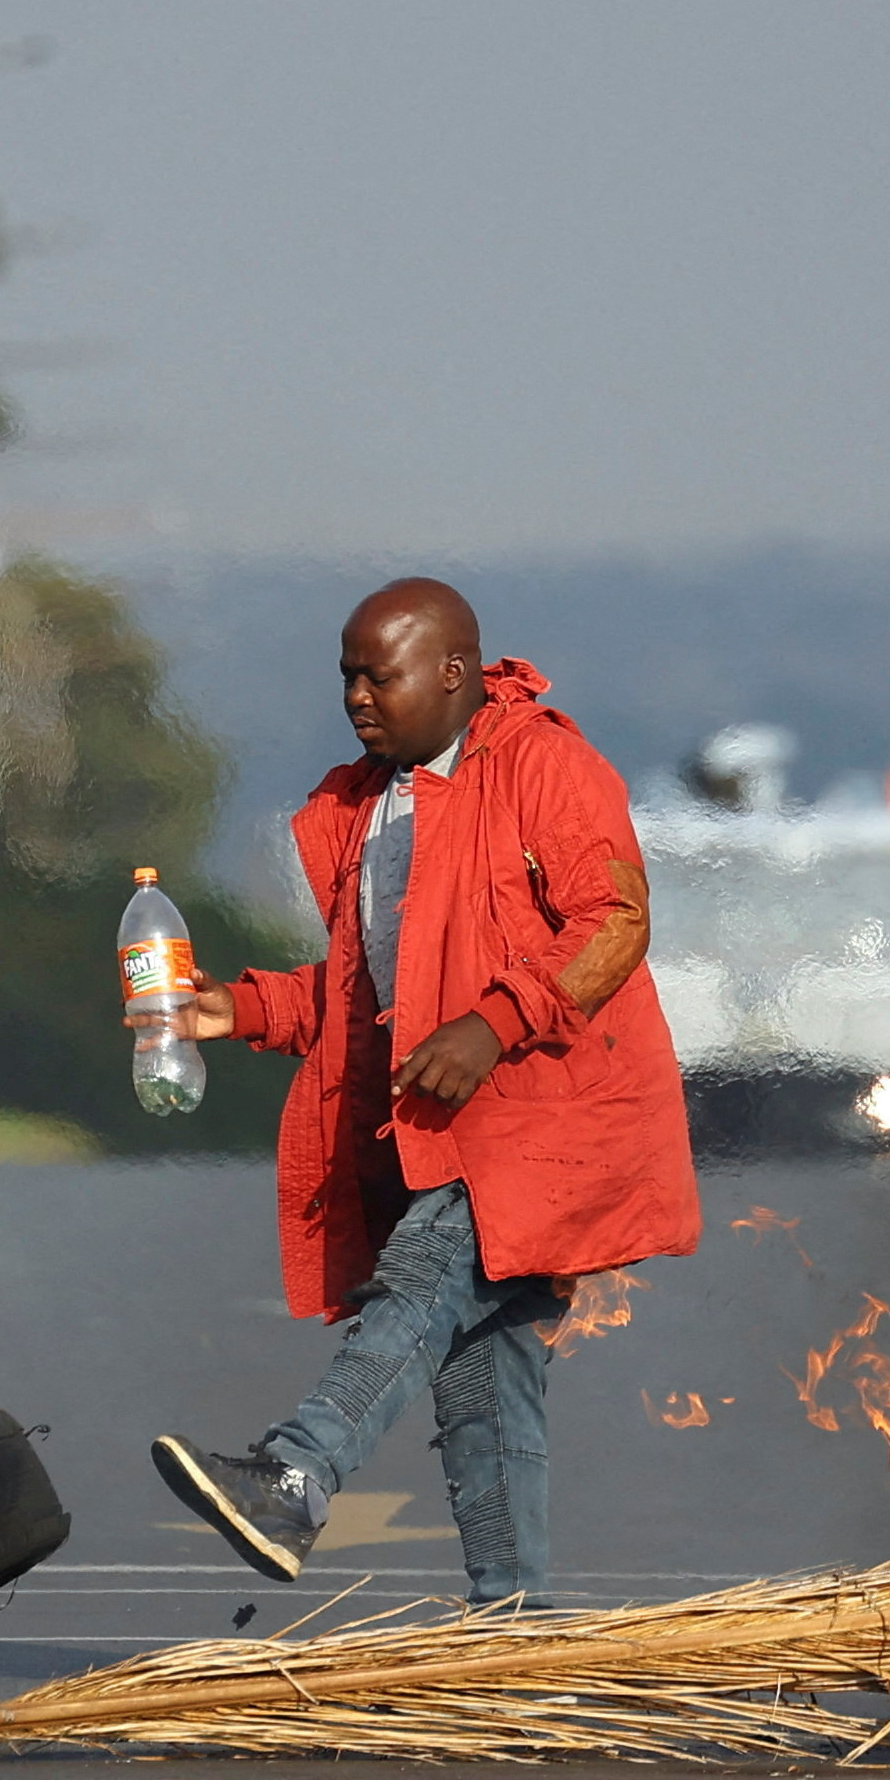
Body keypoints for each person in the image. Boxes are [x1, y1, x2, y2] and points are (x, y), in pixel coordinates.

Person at [145, 579, 700, 1606]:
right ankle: (513, 1614)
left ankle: (296, 1474)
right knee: (483, 1375)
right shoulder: (372, 803)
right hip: (450, 1124)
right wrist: (246, 1007)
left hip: (552, 1120)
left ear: (453, 672)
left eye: (379, 675)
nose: (358, 696)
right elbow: (373, 990)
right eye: (347, 676)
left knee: (420, 1276)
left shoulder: (542, 764)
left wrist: (495, 1022)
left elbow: (616, 921)